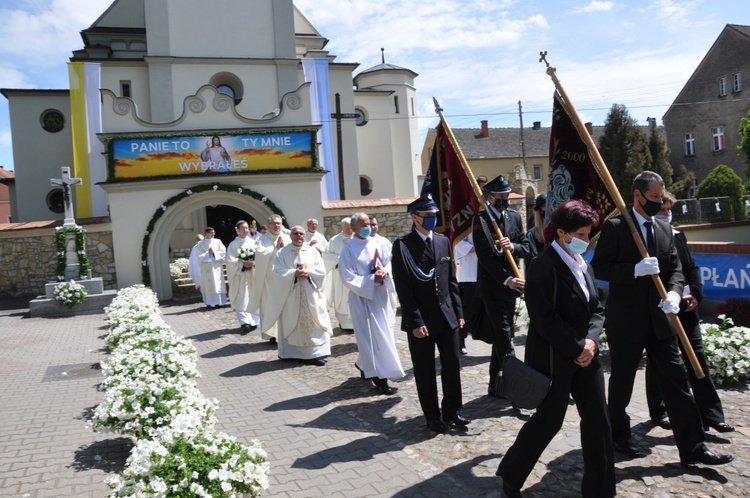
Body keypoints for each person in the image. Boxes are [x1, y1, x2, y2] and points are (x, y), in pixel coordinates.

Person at [591, 170, 732, 466]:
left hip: (661, 320)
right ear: (637, 196)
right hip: (626, 321)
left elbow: (677, 269)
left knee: (677, 382)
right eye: (653, 197)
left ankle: (694, 447)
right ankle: (619, 434)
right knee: (622, 382)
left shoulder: (665, 230)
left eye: (661, 197)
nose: (658, 202)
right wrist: (634, 270)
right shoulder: (617, 227)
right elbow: (600, 268)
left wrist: (675, 293)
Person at [496, 200, 615, 498]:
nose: (587, 241)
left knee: (599, 420)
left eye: (589, 235)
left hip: (587, 357)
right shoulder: (543, 265)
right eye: (582, 235)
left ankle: (600, 489)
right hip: (554, 359)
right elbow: (544, 318)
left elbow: (597, 308)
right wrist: (577, 347)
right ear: (562, 233)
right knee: (548, 421)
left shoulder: (584, 264)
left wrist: (591, 341)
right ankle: (511, 474)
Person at [645, 191, 735, 433]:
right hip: (663, 308)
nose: (666, 213)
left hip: (686, 307)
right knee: (660, 362)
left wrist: (695, 294)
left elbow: (690, 267)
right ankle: (659, 409)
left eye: (668, 209)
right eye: (661, 209)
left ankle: (711, 415)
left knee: (698, 358)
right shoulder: (646, 238)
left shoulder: (678, 235)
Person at [392, 193, 469, 433]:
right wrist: (415, 320)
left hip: (447, 317)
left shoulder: (443, 241)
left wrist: (459, 312)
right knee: (425, 371)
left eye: (435, 215)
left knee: (452, 365)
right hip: (422, 321)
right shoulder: (403, 245)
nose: (432, 219)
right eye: (427, 216)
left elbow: (451, 281)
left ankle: (453, 410)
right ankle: (432, 416)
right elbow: (403, 287)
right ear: (415, 217)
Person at [473, 174, 531, 395]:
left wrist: (514, 246)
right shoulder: (481, 220)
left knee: (503, 337)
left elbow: (527, 247)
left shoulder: (515, 217)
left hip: (513, 288)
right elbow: (485, 257)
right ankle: (518, 387)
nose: (505, 198)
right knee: (504, 336)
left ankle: (494, 385)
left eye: (507, 195)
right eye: (501, 195)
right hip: (493, 287)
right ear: (490, 196)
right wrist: (506, 280)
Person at [339, 212, 404, 395]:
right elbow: (347, 276)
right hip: (363, 299)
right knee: (369, 338)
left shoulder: (378, 243)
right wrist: (370, 279)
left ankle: (363, 364)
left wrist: (384, 272)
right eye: (363, 225)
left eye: (369, 223)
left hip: (380, 297)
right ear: (353, 228)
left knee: (383, 336)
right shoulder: (349, 249)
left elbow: (390, 262)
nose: (368, 227)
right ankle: (379, 379)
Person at [272, 225, 332, 366]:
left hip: (311, 293)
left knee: (315, 320)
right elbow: (277, 272)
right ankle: (291, 353)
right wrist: (294, 273)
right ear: (291, 235)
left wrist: (309, 272)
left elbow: (321, 269)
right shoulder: (282, 253)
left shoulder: (313, 252)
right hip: (291, 295)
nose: (299, 236)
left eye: (301, 233)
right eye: (296, 233)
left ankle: (315, 354)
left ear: (305, 236)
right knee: (292, 320)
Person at [248, 214, 292, 343]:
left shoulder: (287, 238)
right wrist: (275, 249)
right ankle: (272, 334)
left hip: (285, 279)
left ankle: (286, 331)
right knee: (270, 305)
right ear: (268, 226)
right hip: (269, 279)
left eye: (279, 223)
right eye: (274, 223)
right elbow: (260, 255)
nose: (277, 225)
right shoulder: (262, 239)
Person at [226, 220, 259, 333]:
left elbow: (260, 256)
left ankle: (254, 321)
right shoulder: (233, 245)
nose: (246, 230)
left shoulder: (253, 242)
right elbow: (230, 261)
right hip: (240, 276)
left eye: (247, 228)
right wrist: (242, 263)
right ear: (238, 230)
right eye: (243, 228)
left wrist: (253, 262)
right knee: (241, 298)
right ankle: (244, 322)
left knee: (252, 297)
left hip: (252, 275)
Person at [322, 217, 354, 330]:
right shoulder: (334, 241)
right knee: (341, 298)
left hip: (355, 275)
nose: (350, 230)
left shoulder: (358, 238)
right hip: (339, 275)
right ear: (341, 228)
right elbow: (326, 256)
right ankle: (344, 324)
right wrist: (340, 258)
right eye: (347, 228)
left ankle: (356, 323)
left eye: (351, 227)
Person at [195, 227, 227, 307]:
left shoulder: (218, 241)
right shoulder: (200, 244)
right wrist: (207, 253)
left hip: (216, 267)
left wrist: (214, 253)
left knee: (217, 283)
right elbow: (198, 255)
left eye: (214, 232)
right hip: (206, 268)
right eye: (211, 232)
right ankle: (208, 303)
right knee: (207, 284)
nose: (213, 234)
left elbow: (223, 252)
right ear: (206, 233)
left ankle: (218, 302)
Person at [524, 192, 547, 260]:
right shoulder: (532, 235)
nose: (548, 209)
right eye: (545, 206)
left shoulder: (561, 231)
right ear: (539, 211)